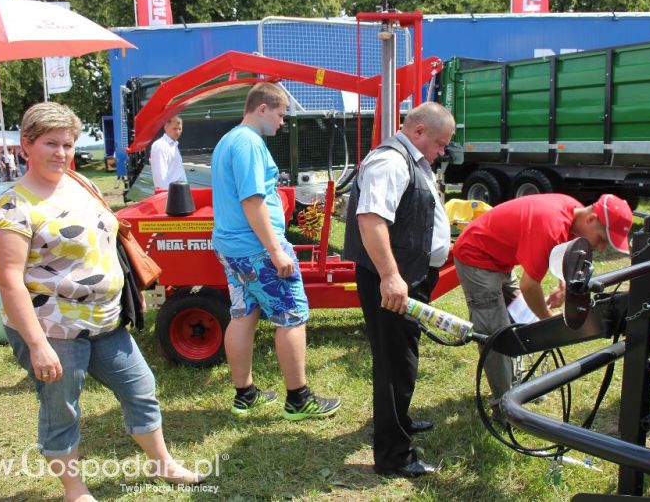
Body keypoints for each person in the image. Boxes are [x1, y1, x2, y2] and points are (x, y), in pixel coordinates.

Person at [0, 102, 199, 502]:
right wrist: (37, 346)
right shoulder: (11, 209)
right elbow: (9, 283)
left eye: (68, 144)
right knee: (62, 407)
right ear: (26, 145)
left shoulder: (83, 184)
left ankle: (163, 463)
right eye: (51, 143)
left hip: (106, 320)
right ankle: (75, 489)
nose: (62, 153)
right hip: (53, 329)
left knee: (141, 387)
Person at [211, 82, 341, 421]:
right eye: (281, 115)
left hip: (231, 246)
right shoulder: (250, 143)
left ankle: (245, 395)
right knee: (292, 317)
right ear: (262, 108)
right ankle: (299, 399)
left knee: (243, 313)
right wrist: (276, 251)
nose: (283, 123)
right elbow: (252, 200)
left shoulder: (228, 140)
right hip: (258, 248)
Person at [344, 102, 455, 477]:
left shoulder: (412, 161)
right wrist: (391, 277)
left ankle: (399, 423)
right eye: (439, 143)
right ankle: (394, 457)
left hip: (407, 275)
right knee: (396, 364)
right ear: (419, 131)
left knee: (401, 357)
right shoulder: (390, 162)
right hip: (392, 280)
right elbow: (371, 220)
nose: (442, 152)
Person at [452, 193, 633, 421]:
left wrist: (563, 284)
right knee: (495, 333)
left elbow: (562, 252)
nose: (600, 246)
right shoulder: (549, 226)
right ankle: (503, 408)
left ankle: (516, 386)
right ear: (591, 220)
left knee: (522, 320)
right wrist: (549, 320)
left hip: (501, 258)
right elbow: (530, 286)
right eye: (602, 238)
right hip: (476, 255)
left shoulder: (574, 212)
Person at [150, 116, 186, 191]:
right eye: (174, 129)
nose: (177, 132)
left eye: (180, 129)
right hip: (170, 193)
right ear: (166, 127)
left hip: (179, 191)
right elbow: (160, 176)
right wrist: (166, 196)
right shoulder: (161, 146)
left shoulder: (173, 145)